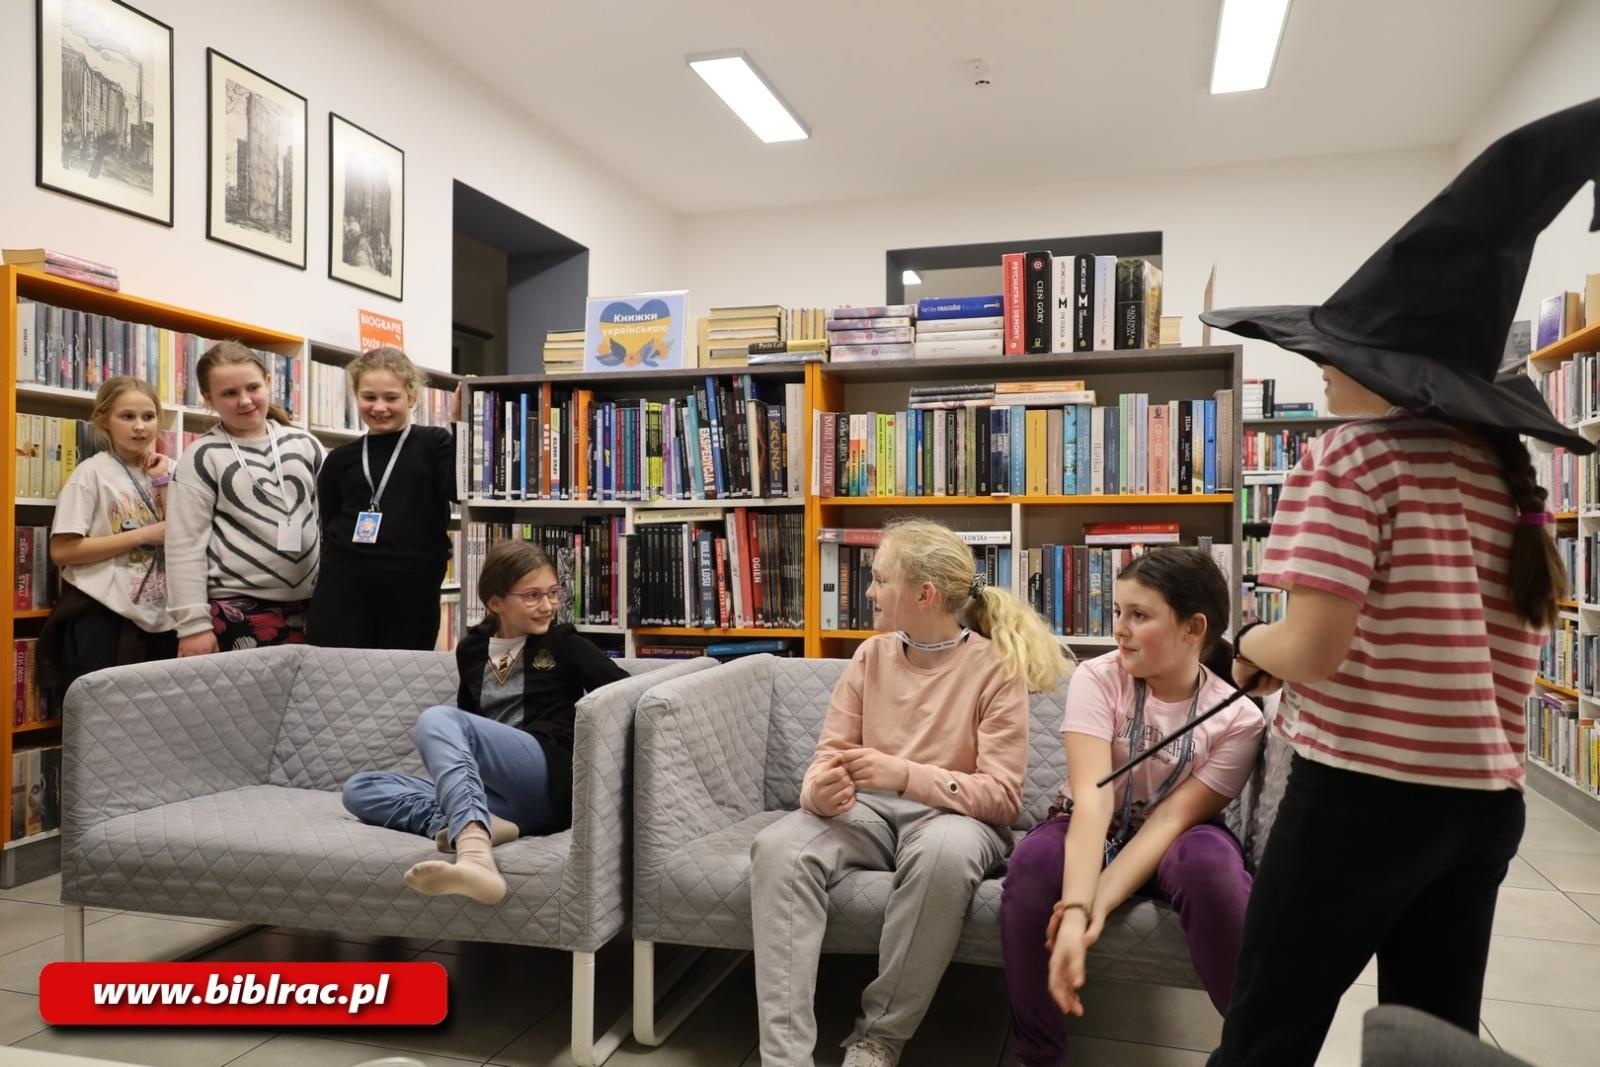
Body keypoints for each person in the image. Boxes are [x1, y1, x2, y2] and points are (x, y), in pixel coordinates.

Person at [1199, 98, 1600, 1065]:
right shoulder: (1502, 474)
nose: (1322, 370)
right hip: (1484, 805)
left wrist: (1245, 643)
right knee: (1428, 1038)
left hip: (1361, 801)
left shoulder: (1350, 458)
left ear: (1389, 371)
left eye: (1338, 353)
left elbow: (1312, 649)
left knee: (1268, 1028)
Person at [750, 518, 1073, 1067]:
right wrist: (817, 792)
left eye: (880, 579)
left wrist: (902, 773)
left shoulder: (996, 668)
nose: (869, 591)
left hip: (957, 820)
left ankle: (878, 1039)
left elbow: (1002, 798)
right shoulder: (870, 656)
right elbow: (828, 757)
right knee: (779, 847)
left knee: (944, 854)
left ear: (924, 594)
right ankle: (784, 1059)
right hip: (868, 813)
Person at [1000, 548, 1264, 1066]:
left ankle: (1259, 1047)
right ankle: (1040, 1057)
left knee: (1211, 867)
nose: (1119, 629)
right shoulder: (1097, 677)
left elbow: (1171, 819)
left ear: (1193, 629)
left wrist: (1093, 906)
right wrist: (1077, 910)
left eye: (1139, 615)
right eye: (1119, 611)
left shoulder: (1240, 720)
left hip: (1177, 836)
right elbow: (1093, 800)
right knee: (1032, 863)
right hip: (1088, 824)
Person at [341, 539, 627, 904]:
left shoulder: (565, 644)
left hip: (548, 775)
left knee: (438, 719)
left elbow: (626, 694)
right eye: (532, 596)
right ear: (495, 602)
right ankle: (485, 823)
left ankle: (474, 855)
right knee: (360, 789)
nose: (548, 606)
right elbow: (472, 721)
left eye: (553, 593)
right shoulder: (471, 649)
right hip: (498, 793)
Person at [166, 341, 324, 656]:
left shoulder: (306, 444)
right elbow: (184, 544)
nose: (245, 400)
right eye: (229, 393)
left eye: (253, 387)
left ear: (269, 382)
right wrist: (193, 626)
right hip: (237, 611)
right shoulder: (201, 456)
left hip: (314, 605)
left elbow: (330, 523)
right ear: (208, 399)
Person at [38, 377, 177, 708]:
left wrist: (163, 481)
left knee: (160, 719)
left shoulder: (171, 469)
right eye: (127, 416)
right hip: (104, 615)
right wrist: (142, 535)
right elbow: (62, 551)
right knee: (102, 717)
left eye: (148, 416)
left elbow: (182, 534)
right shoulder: (91, 474)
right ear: (104, 420)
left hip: (164, 616)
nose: (140, 426)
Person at [308, 346, 457, 651]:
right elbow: (329, 522)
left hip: (412, 585)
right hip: (344, 585)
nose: (379, 407)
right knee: (335, 669)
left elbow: (458, 491)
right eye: (369, 397)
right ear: (356, 395)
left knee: (402, 673)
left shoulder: (434, 442)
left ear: (411, 397)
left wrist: (461, 424)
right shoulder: (339, 458)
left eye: (391, 397)